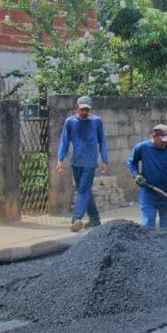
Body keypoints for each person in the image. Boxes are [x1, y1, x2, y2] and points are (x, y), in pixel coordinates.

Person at [57, 96, 108, 232]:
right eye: (82, 109)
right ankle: (95, 219)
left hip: (90, 163)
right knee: (84, 191)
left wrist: (104, 160)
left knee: (83, 190)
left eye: (87, 109)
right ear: (76, 108)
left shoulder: (97, 122)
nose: (84, 112)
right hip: (76, 162)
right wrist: (60, 160)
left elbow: (102, 141)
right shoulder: (70, 122)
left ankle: (76, 219)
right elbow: (64, 141)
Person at [126, 124, 167, 230]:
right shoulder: (142, 147)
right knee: (147, 227)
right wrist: (136, 175)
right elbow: (131, 162)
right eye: (162, 140)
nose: (165, 142)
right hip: (148, 194)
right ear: (154, 136)